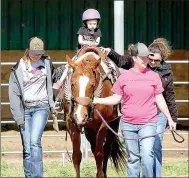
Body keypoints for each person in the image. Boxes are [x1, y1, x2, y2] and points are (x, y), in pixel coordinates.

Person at [93, 42, 176, 177]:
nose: (147, 61)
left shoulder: (153, 77)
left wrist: (170, 118)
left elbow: (160, 99)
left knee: (147, 156)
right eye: (143, 58)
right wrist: (96, 100)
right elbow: (116, 98)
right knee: (133, 158)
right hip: (128, 124)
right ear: (135, 58)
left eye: (147, 58)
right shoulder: (124, 77)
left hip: (148, 123)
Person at [8, 37, 63, 177]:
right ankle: (29, 175)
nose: (36, 55)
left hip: (41, 106)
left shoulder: (46, 63)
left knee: (34, 143)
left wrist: (66, 70)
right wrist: (18, 117)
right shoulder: (18, 67)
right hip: (25, 109)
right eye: (33, 52)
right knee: (27, 147)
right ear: (28, 51)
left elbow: (55, 78)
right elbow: (13, 94)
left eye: (39, 53)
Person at [148, 38, 178, 177]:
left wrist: (173, 118)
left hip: (159, 113)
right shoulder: (141, 69)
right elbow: (124, 60)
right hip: (143, 113)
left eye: (157, 61)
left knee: (156, 145)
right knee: (145, 149)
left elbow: (170, 96)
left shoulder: (167, 73)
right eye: (151, 59)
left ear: (162, 59)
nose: (153, 63)